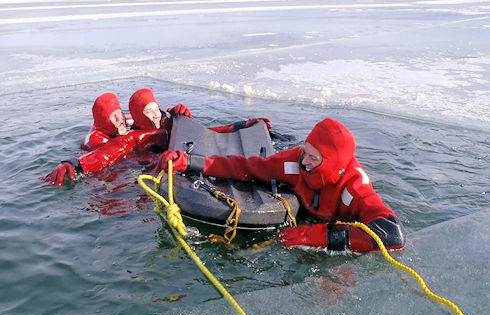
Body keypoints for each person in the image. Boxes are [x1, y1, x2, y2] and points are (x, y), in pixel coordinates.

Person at [156, 118, 406, 253]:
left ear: (333, 164)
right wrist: (192, 162)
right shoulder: (294, 160)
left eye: (314, 159)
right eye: (306, 151)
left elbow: (392, 234)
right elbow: (247, 167)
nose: (304, 162)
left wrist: (316, 236)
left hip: (332, 232)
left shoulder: (354, 188)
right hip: (307, 222)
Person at [43, 88, 272, 186]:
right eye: (147, 112)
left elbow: (208, 131)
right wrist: (77, 165)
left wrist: (242, 126)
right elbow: (108, 153)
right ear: (138, 116)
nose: (154, 115)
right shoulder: (134, 137)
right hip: (144, 168)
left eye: (156, 108)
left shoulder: (167, 123)